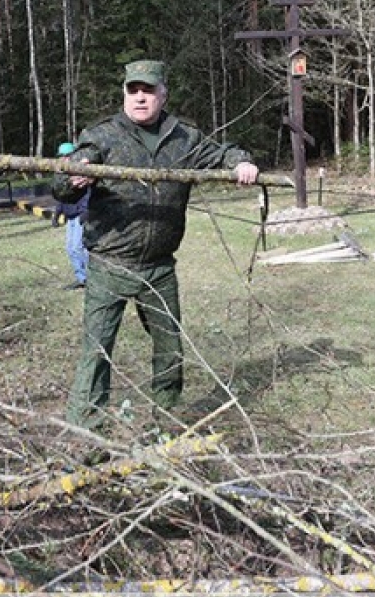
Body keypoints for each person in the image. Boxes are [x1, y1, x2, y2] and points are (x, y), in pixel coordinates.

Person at [51, 60, 259, 432]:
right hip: (109, 263)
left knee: (170, 351)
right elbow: (64, 180)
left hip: (160, 267)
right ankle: (88, 432)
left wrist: (241, 162)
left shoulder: (185, 138)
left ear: (163, 94)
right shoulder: (103, 135)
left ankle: (163, 425)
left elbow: (222, 153)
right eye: (133, 90)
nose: (140, 98)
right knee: (97, 352)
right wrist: (74, 175)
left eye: (148, 90)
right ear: (125, 94)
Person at [51, 141, 90, 289]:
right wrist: (57, 214)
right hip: (71, 217)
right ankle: (82, 278)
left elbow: (88, 194)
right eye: (61, 156)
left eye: (66, 156)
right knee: (70, 248)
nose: (63, 159)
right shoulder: (62, 175)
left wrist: (86, 212)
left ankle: (91, 278)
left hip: (81, 215)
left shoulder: (81, 172)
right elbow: (62, 197)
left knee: (78, 247)